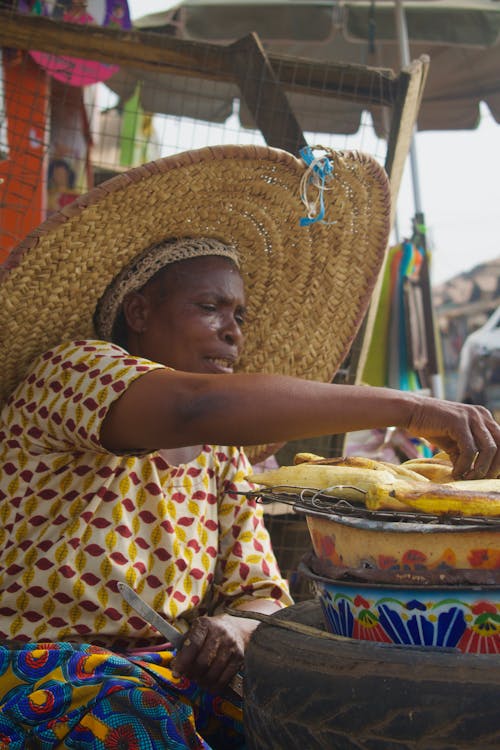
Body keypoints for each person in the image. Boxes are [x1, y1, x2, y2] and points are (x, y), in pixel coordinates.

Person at [0, 144, 499, 748]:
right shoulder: (74, 371)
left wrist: (233, 630)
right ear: (138, 311)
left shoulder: (220, 453)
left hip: (168, 679)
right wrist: (412, 407)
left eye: (240, 315)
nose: (233, 331)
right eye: (209, 307)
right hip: (44, 675)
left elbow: (262, 594)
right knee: (133, 715)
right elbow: (193, 405)